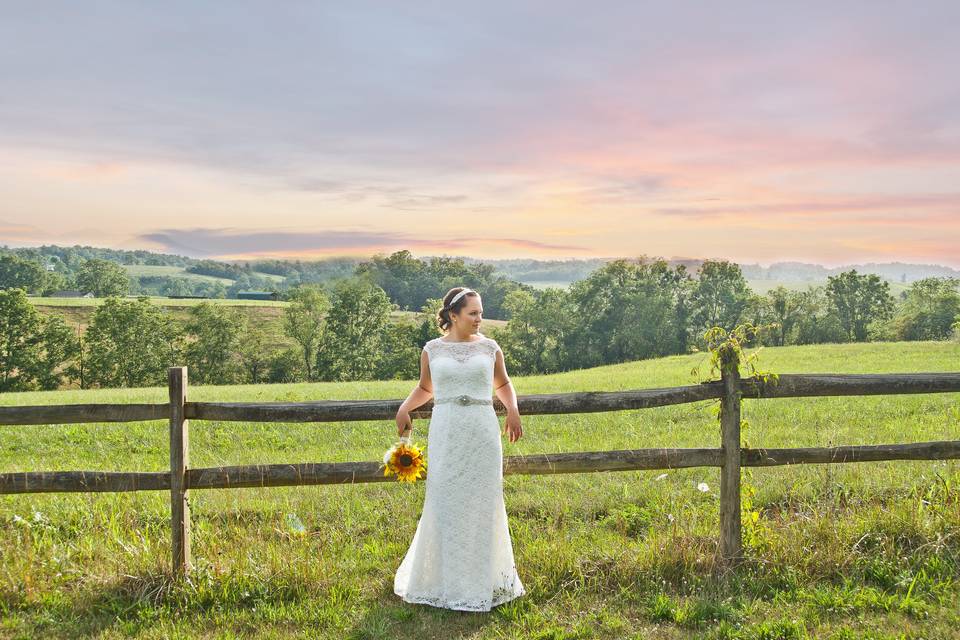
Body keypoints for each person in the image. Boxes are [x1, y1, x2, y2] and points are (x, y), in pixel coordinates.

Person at [392, 286, 526, 612]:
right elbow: (426, 387)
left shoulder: (491, 348)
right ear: (454, 315)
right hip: (447, 430)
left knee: (484, 502)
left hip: (481, 430)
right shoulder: (432, 350)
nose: (480, 319)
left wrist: (512, 409)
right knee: (444, 500)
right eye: (473, 313)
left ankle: (485, 582)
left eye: (480, 312)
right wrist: (404, 408)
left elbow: (503, 384)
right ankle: (442, 582)